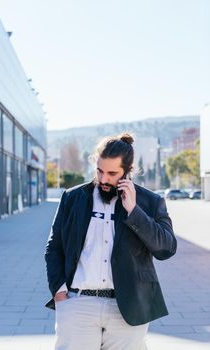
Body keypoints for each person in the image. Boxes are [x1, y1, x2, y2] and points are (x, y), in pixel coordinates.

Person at [45, 133, 177, 350]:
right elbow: (54, 247)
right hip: (78, 304)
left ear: (128, 171)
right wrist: (59, 291)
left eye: (112, 173)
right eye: (99, 171)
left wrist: (134, 211)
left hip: (128, 308)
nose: (104, 179)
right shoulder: (72, 198)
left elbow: (167, 248)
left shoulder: (150, 202)